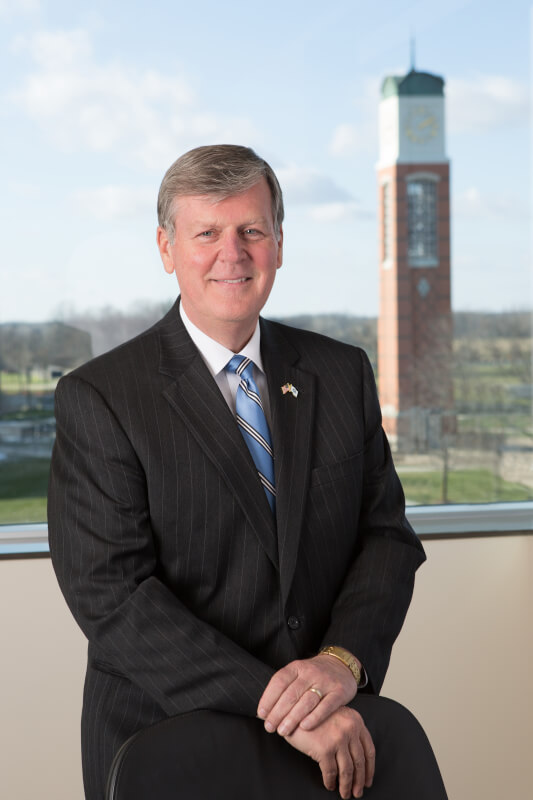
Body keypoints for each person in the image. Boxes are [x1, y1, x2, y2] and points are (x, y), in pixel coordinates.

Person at [48, 145, 442, 800]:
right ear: (167, 248)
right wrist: (283, 704)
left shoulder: (340, 373)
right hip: (167, 741)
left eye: (251, 231)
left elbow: (385, 539)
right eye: (206, 233)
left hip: (332, 740)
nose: (232, 254)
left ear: (279, 243)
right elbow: (112, 596)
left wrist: (340, 662)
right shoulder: (101, 397)